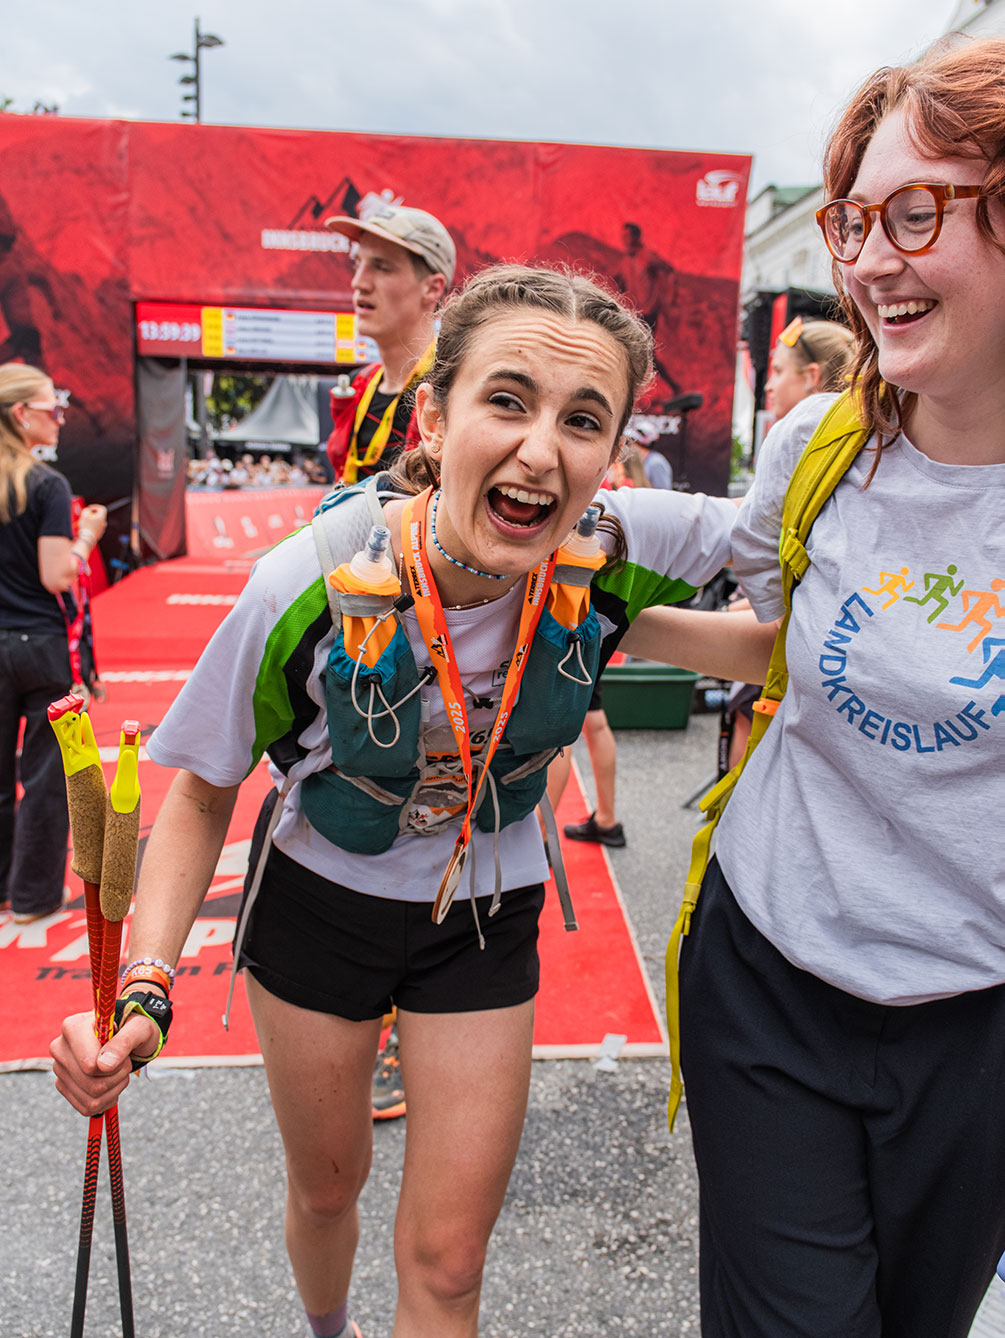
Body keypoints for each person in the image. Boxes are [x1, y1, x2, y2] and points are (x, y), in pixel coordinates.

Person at [51, 262, 739, 1338]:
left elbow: (818, 545)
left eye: (582, 420)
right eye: (506, 401)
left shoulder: (613, 550)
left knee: (450, 1261)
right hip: (320, 907)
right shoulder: (305, 582)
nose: (540, 450)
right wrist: (146, 987)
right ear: (433, 414)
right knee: (330, 1190)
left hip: (485, 915)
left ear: (612, 453)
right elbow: (202, 791)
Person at [674, 39, 1005, 1338]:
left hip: (977, 1029)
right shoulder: (821, 444)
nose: (867, 261)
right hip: (771, 973)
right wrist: (600, 607)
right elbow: (780, 635)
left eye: (914, 212)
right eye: (853, 221)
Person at [723, 316, 854, 771]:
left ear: (812, 376)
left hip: (800, 650)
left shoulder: (803, 429)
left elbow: (754, 536)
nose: (769, 385)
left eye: (778, 371)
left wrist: (776, 613)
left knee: (750, 728)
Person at [0, 363, 106, 921]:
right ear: (21, 414)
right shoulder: (46, 484)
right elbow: (56, 574)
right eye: (53, 408)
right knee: (44, 778)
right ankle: (33, 897)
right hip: (40, 645)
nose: (61, 418)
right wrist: (87, 536)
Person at [324, 205, 456, 484]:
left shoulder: (454, 390)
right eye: (358, 264)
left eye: (382, 267)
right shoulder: (360, 384)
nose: (359, 282)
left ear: (433, 288)